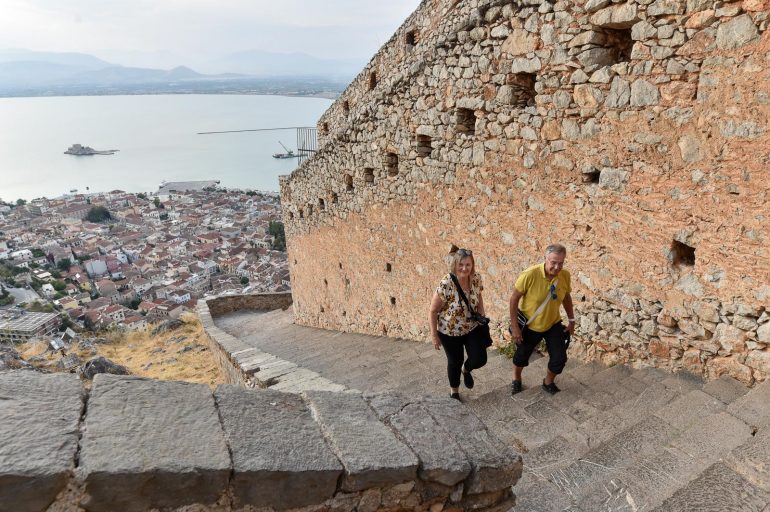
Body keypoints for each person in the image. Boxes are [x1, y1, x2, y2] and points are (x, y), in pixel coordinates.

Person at [509, 244, 575, 396]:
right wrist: (515, 327)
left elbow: (566, 296)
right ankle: (516, 378)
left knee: (560, 358)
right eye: (553, 262)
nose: (557, 266)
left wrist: (571, 320)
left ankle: (548, 382)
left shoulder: (564, 275)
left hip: (553, 323)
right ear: (545, 259)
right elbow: (514, 299)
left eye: (561, 262)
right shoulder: (530, 274)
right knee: (521, 356)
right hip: (530, 325)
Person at [429, 247, 489, 401]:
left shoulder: (475, 278)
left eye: (468, 265)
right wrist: (434, 336)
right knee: (455, 362)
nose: (464, 268)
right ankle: (454, 391)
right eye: (461, 265)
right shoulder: (447, 282)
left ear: (472, 265)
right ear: (455, 264)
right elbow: (433, 311)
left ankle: (466, 369)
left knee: (480, 358)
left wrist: (482, 316)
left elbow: (479, 296)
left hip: (472, 327)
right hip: (450, 332)